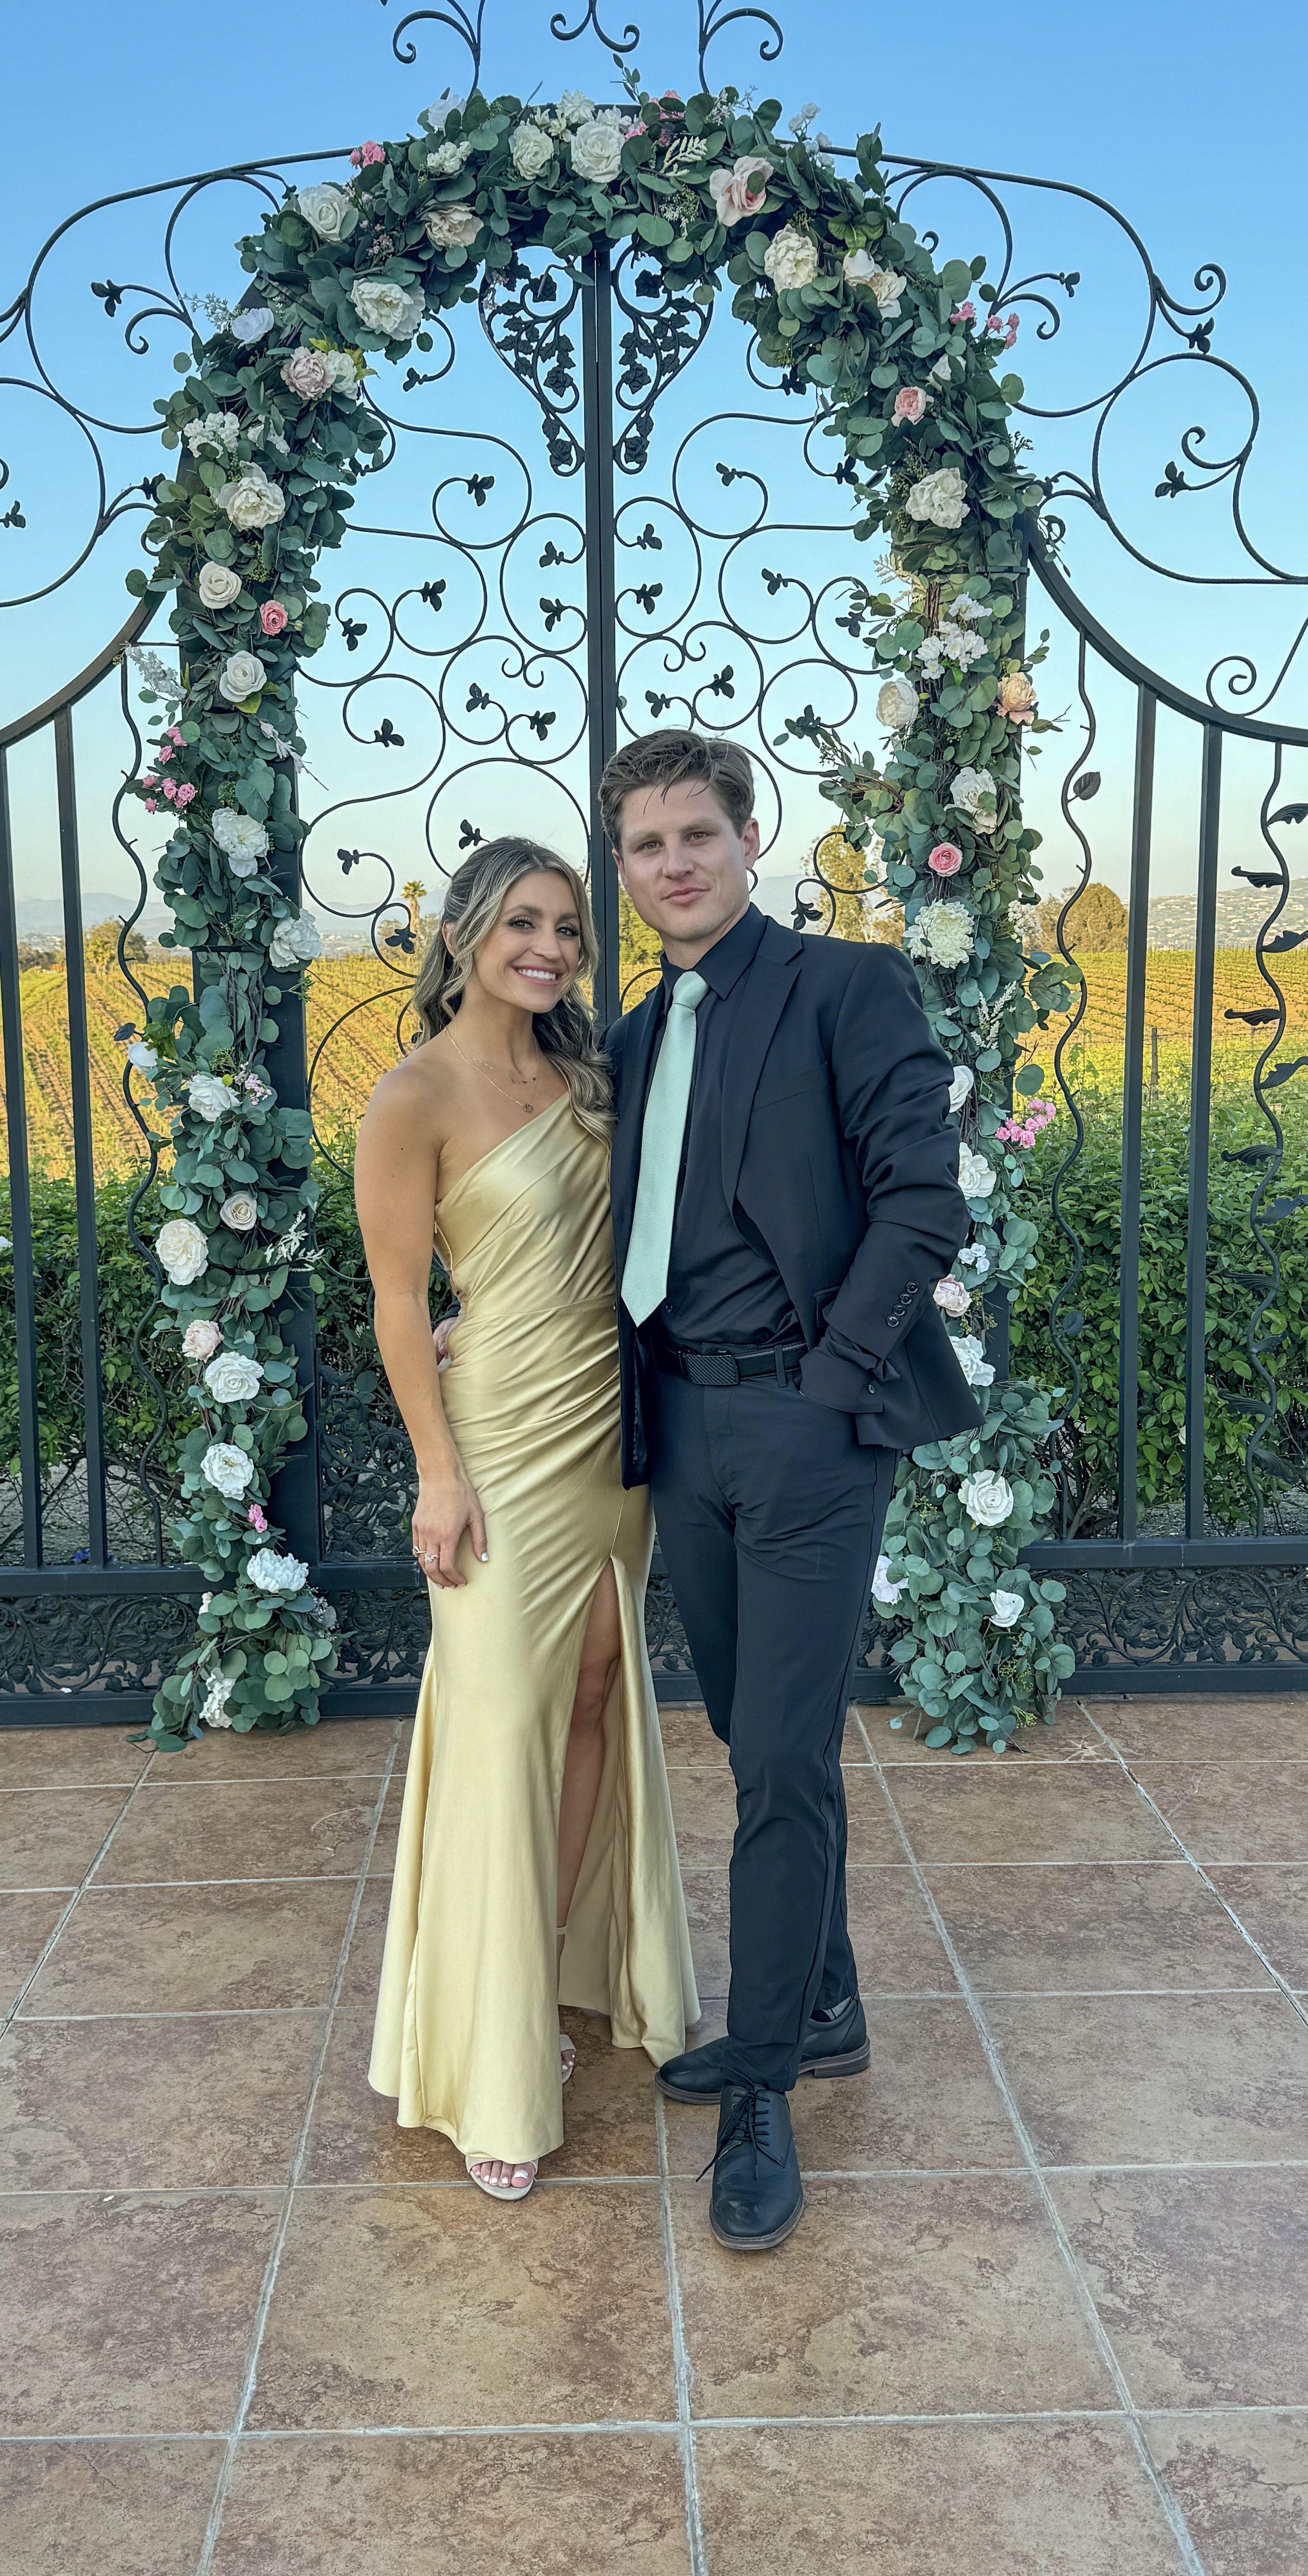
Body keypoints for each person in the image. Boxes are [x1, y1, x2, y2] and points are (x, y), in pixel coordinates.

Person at [600, 728, 981, 2251]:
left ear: (748, 839)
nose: (674, 863)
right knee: (744, 1731)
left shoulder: (845, 987)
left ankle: (760, 2085)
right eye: (646, 844)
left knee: (780, 1754)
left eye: (697, 833)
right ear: (624, 867)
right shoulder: (634, 1035)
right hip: (680, 1424)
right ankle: (821, 2000)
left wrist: (832, 1386)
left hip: (809, 1424)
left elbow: (922, 1201)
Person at [354, 836, 700, 2202]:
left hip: (611, 1426)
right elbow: (397, 1300)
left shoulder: (592, 1075)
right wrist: (437, 1471)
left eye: (566, 927)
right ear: (462, 935)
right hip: (498, 1439)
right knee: (501, 1725)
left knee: (596, 1690)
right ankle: (488, 2065)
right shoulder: (412, 1095)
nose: (549, 947)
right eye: (522, 923)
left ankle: (541, 1974)